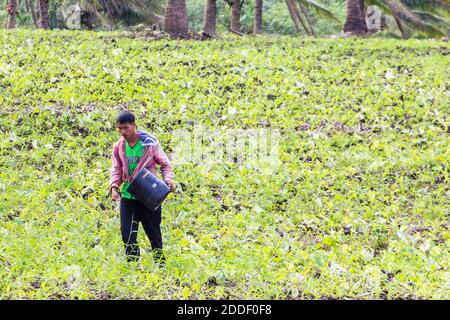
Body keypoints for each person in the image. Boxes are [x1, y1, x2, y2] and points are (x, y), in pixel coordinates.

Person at [109, 110, 175, 264]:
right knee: (127, 233)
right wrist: (114, 186)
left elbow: (165, 164)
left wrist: (168, 179)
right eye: (120, 128)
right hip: (128, 194)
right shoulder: (119, 146)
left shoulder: (149, 143)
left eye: (126, 128)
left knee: (153, 231)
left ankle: (160, 264)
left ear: (134, 125)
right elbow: (116, 168)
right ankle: (133, 265)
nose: (123, 132)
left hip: (148, 193)